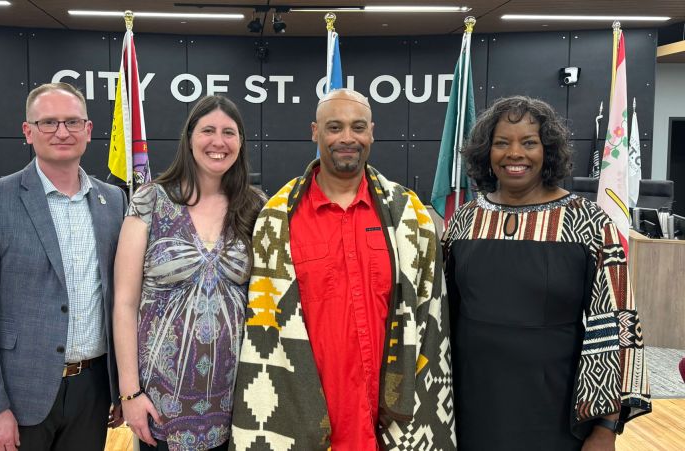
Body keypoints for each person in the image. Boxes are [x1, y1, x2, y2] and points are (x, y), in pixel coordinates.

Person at [230, 89, 455, 450]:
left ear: (372, 133)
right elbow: (261, 328)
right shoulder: (277, 218)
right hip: (303, 404)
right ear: (315, 132)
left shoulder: (410, 216)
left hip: (389, 410)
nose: (347, 138)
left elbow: (431, 317)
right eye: (334, 127)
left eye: (358, 127)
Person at [442, 96, 651, 450]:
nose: (515, 154)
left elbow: (618, 325)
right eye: (501, 143)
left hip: (554, 408)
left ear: (548, 150)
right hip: (470, 404)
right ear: (485, 152)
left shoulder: (588, 222)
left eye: (529, 142)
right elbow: (442, 317)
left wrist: (604, 429)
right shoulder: (464, 221)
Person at [0, 82, 127, 451]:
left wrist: (121, 387)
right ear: (28, 132)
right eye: (48, 122)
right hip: (18, 396)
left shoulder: (113, 201)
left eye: (72, 122)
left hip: (93, 391)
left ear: (89, 130)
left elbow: (119, 300)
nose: (62, 132)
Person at [113, 95, 265, 451]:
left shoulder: (255, 207)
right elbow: (124, 302)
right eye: (208, 130)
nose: (218, 141)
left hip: (234, 400)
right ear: (190, 138)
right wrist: (129, 392)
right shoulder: (151, 200)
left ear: (240, 144)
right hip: (161, 400)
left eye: (229, 132)